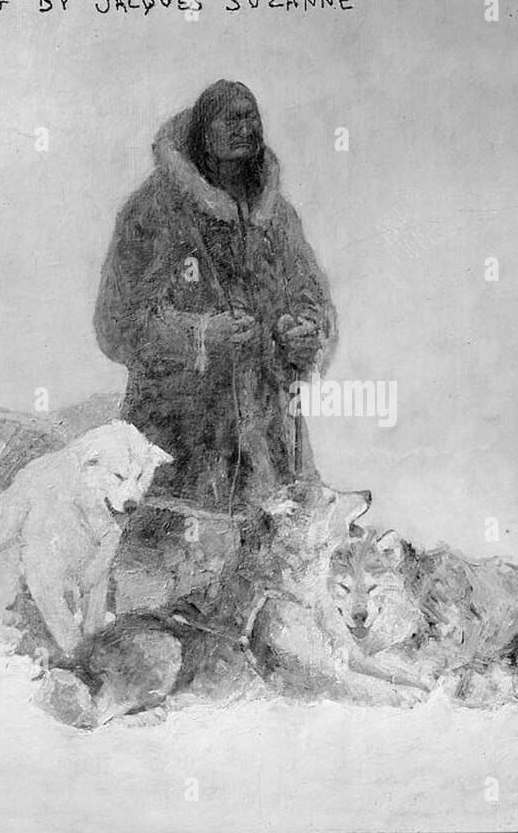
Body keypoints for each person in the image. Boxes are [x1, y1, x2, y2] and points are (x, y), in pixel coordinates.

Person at [94, 80, 337, 511]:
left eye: (252, 116)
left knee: (271, 562)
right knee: (169, 564)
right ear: (204, 133)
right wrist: (202, 336)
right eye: (233, 118)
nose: (246, 127)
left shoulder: (276, 216)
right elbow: (117, 325)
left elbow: (309, 293)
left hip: (267, 445)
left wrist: (304, 328)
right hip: (173, 439)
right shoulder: (152, 211)